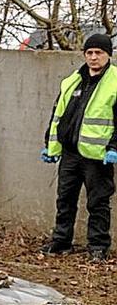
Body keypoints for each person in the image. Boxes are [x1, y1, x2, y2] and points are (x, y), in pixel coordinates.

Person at [40, 33, 117, 261]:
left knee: (98, 203)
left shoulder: (114, 82)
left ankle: (98, 247)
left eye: (99, 53)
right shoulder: (72, 80)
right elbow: (58, 114)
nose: (93, 57)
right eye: (89, 53)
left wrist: (114, 147)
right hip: (71, 154)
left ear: (108, 55)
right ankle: (61, 242)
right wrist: (50, 145)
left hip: (99, 156)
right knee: (65, 199)